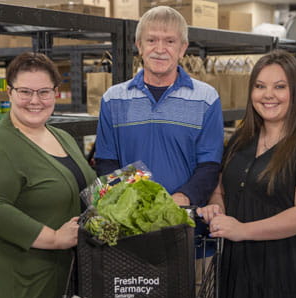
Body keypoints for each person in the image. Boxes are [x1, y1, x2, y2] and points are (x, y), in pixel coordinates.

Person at [198, 49, 296, 298]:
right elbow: (220, 187)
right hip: (240, 265)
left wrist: (242, 230)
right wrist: (217, 209)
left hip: (290, 267)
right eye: (260, 86)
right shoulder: (242, 139)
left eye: (280, 87)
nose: (268, 95)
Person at [0, 52, 96, 298]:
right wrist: (55, 238)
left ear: (56, 93)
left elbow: (82, 186)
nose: (35, 101)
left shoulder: (61, 136)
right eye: (25, 91)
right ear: (9, 92)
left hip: (60, 275)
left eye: (44, 91)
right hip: (17, 280)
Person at [94, 5, 224, 209]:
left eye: (170, 41)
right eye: (151, 40)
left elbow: (209, 166)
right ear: (139, 45)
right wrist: (131, 200)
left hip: (183, 216)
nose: (160, 49)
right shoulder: (113, 99)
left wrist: (181, 198)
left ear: (182, 48)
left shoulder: (206, 98)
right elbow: (105, 161)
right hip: (130, 216)